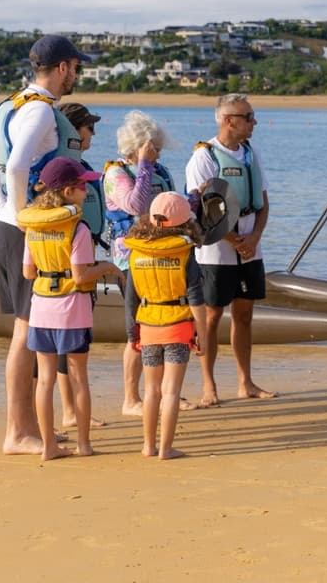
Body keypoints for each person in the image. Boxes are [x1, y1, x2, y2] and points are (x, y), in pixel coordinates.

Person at [0, 34, 89, 454]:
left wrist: (7, 209)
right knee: (26, 332)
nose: (76, 76)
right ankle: (17, 432)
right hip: (26, 232)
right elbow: (13, 164)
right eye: (76, 68)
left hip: (11, 226)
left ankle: (28, 425)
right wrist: (27, 218)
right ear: (63, 67)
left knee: (27, 330)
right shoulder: (42, 112)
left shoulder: (15, 105)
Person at [17, 157, 121, 461]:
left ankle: (48, 446)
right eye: (82, 185)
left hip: (41, 307)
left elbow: (27, 272)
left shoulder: (34, 226)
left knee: (45, 380)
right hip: (72, 308)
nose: (87, 190)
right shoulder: (79, 229)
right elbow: (79, 276)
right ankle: (84, 444)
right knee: (79, 378)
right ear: (66, 191)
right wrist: (107, 267)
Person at [184, 93, 275, 405]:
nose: (254, 122)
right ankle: (208, 385)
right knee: (211, 316)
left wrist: (253, 238)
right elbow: (202, 210)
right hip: (216, 247)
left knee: (245, 313)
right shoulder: (204, 157)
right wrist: (234, 240)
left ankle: (245, 381)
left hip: (250, 243)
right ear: (228, 120)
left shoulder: (251, 152)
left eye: (252, 115)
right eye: (248, 116)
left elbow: (263, 202)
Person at [101, 110, 186, 416]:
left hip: (165, 258)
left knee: (168, 324)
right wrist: (145, 165)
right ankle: (131, 398)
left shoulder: (159, 170)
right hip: (131, 261)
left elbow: (175, 207)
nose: (157, 153)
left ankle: (165, 392)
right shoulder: (116, 174)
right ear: (135, 146)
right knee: (137, 329)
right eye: (152, 148)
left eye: (159, 149)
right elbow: (136, 205)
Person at [124, 192, 204, 460]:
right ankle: (166, 448)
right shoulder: (185, 253)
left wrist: (131, 332)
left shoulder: (136, 253)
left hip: (147, 326)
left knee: (151, 390)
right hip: (178, 326)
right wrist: (201, 333)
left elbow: (130, 300)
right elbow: (196, 299)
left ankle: (148, 446)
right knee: (171, 391)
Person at [56, 102, 107, 430]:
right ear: (74, 130)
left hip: (86, 257)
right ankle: (69, 411)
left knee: (75, 339)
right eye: (89, 127)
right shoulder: (63, 170)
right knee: (67, 341)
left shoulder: (82, 166)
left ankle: (72, 409)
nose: (93, 133)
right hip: (69, 266)